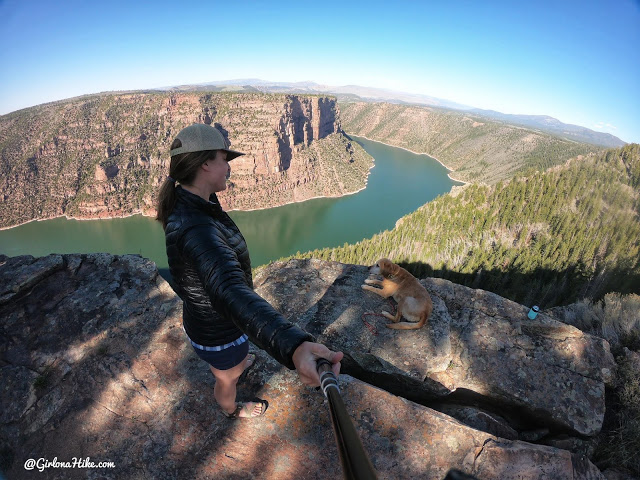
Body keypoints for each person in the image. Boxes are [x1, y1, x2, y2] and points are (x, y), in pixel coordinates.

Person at [156, 123, 343, 419]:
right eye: (224, 159)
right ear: (205, 163)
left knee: (232, 363)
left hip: (209, 321)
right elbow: (229, 290)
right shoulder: (197, 228)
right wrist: (293, 346)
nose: (228, 167)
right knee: (225, 378)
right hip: (218, 332)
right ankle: (230, 408)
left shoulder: (190, 202)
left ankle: (238, 363)